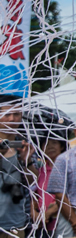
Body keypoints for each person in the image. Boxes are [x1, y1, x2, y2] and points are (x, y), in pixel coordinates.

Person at [1, 96, 35, 237]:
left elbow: (32, 182)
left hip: (16, 221)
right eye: (6, 114)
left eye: (16, 114)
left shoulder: (23, 144)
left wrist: (26, 161)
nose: (12, 119)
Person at [33, 138, 66, 235]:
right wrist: (36, 215)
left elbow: (70, 196)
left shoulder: (67, 168)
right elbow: (32, 195)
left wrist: (49, 213)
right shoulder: (40, 171)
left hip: (62, 223)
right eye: (46, 144)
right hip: (41, 225)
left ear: (62, 146)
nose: (50, 147)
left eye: (54, 143)